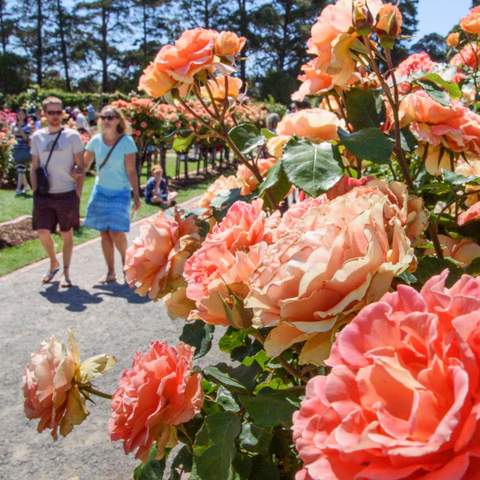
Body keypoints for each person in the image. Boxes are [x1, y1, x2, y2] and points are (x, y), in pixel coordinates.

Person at [30, 96, 84, 287]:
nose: (55, 116)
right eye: (50, 112)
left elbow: (81, 166)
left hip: (66, 193)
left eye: (58, 112)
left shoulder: (72, 136)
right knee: (42, 232)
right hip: (44, 194)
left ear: (63, 113)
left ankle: (66, 273)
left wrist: (77, 192)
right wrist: (35, 190)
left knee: (66, 232)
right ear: (44, 114)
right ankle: (53, 262)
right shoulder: (37, 137)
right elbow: (34, 166)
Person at [83, 105, 141, 283]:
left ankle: (126, 268)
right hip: (100, 191)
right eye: (103, 117)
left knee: (116, 232)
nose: (106, 120)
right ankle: (110, 272)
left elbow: (131, 171)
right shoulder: (95, 140)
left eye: (111, 117)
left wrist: (136, 196)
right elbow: (84, 166)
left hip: (120, 192)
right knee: (104, 233)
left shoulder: (126, 142)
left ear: (119, 120)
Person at [12, 109, 32, 196]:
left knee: (20, 168)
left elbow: (26, 139)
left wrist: (20, 130)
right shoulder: (13, 125)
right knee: (20, 169)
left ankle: (18, 189)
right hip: (15, 148)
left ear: (25, 115)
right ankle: (26, 186)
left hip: (24, 149)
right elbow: (12, 135)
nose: (20, 115)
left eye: (22, 114)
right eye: (18, 114)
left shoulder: (28, 126)